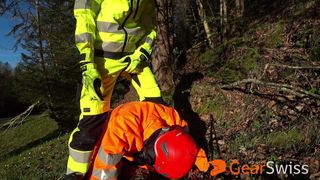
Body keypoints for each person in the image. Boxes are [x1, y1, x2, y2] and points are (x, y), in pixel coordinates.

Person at [66, 0, 163, 177]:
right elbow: (84, 16)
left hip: (133, 59)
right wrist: (87, 62)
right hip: (100, 60)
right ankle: (75, 173)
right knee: (91, 122)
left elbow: (150, 26)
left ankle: (154, 161)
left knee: (156, 108)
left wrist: (143, 52)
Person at [68, 101, 210, 179]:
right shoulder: (120, 130)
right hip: (95, 143)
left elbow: (189, 147)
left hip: (135, 140)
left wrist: (207, 167)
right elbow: (103, 171)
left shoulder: (176, 122)